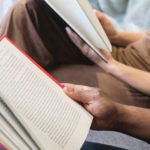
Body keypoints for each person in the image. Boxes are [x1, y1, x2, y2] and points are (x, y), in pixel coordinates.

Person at [0, 0, 150, 148]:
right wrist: (116, 36)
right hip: (127, 53)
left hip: (138, 82)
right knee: (27, 9)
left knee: (43, 81)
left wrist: (113, 66)